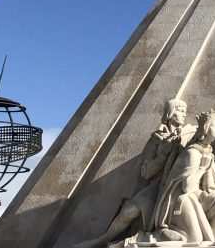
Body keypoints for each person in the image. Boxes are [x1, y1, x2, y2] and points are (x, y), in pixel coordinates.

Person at [75, 99, 189, 248]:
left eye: (185, 110)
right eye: (180, 110)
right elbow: (146, 172)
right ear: (170, 112)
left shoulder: (188, 134)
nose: (184, 113)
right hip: (155, 186)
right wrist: (162, 156)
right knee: (129, 212)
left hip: (174, 185)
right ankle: (102, 240)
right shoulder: (156, 139)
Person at [150, 109, 215, 244]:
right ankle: (150, 236)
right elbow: (186, 187)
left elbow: (209, 185)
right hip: (180, 201)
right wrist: (202, 168)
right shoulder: (192, 153)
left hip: (199, 196)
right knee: (194, 240)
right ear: (206, 129)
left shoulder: (207, 152)